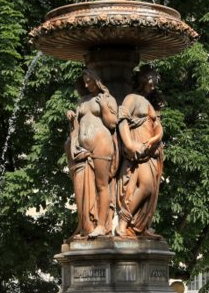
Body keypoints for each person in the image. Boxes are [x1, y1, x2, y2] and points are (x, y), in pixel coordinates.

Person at [67, 67, 119, 238]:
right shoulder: (83, 100)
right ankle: (86, 225)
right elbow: (77, 126)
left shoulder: (107, 98)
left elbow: (112, 123)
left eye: (89, 81)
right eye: (85, 82)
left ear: (97, 79)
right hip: (83, 148)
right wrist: (72, 119)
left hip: (101, 144)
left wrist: (104, 107)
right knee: (83, 187)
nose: (87, 84)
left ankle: (102, 226)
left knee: (102, 185)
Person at [115, 65, 165, 238]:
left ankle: (141, 228)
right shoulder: (132, 98)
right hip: (139, 151)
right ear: (144, 79)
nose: (154, 85)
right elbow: (122, 119)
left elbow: (158, 128)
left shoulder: (149, 103)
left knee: (151, 191)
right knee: (146, 186)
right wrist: (128, 144)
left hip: (151, 152)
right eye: (151, 81)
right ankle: (123, 222)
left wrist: (156, 137)